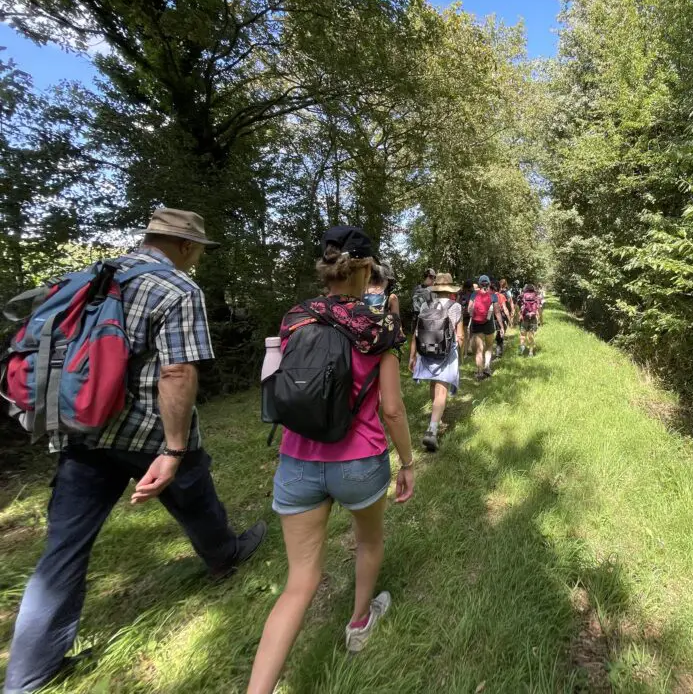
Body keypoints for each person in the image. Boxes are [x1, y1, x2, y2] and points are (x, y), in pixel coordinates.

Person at [3, 208, 267, 694]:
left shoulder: (89, 278)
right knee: (196, 497)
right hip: (148, 432)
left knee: (62, 550)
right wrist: (173, 448)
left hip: (82, 429)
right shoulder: (177, 289)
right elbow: (177, 372)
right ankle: (224, 556)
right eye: (199, 251)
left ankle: (27, 676)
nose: (198, 260)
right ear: (186, 247)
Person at [248, 225, 414, 694]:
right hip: (359, 461)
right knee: (367, 543)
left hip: (297, 462)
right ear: (364, 269)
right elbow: (393, 408)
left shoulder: (295, 318)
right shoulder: (379, 326)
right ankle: (359, 623)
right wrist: (408, 463)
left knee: (298, 583)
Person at [408, 272, 463, 451]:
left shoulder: (426, 304)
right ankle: (432, 430)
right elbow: (460, 336)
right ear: (449, 289)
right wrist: (460, 354)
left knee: (433, 385)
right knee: (442, 391)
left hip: (426, 350)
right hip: (446, 352)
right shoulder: (455, 307)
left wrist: (412, 355)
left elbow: (417, 332)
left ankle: (435, 416)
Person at [467, 275, 499, 380]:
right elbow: (497, 311)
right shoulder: (493, 295)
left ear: (479, 284)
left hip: (476, 323)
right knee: (489, 346)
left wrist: (474, 314)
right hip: (489, 323)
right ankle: (487, 367)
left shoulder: (474, 294)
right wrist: (501, 326)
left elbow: (469, 309)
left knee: (479, 350)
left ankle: (479, 372)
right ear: (489, 284)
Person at [519, 284, 542, 357]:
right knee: (531, 335)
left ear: (525, 289)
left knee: (523, 334)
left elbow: (520, 307)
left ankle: (522, 346)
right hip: (533, 318)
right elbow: (539, 308)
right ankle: (531, 352)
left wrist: (519, 316)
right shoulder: (536, 296)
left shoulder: (522, 296)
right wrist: (540, 319)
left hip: (525, 318)